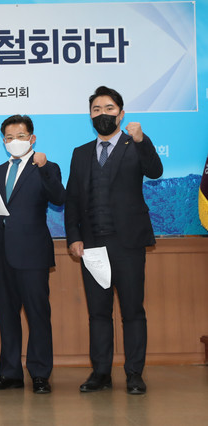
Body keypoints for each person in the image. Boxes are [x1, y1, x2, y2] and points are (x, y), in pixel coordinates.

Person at [65, 86, 163, 395]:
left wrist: (142, 140)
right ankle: (101, 373)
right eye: (96, 109)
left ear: (121, 114)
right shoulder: (80, 153)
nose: (102, 114)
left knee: (132, 311)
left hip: (128, 243)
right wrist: (74, 237)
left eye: (109, 108)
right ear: (90, 116)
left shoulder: (135, 144)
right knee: (98, 313)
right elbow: (72, 199)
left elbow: (155, 171)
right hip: (92, 245)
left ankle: (134, 374)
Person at [0, 115, 65, 394]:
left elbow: (59, 198)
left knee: (38, 315)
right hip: (2, 254)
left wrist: (44, 167)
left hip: (33, 253)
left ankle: (40, 374)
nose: (15, 141)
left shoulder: (47, 167)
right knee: (7, 316)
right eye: (9, 137)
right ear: (3, 141)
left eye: (21, 136)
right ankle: (10, 373)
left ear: (32, 138)